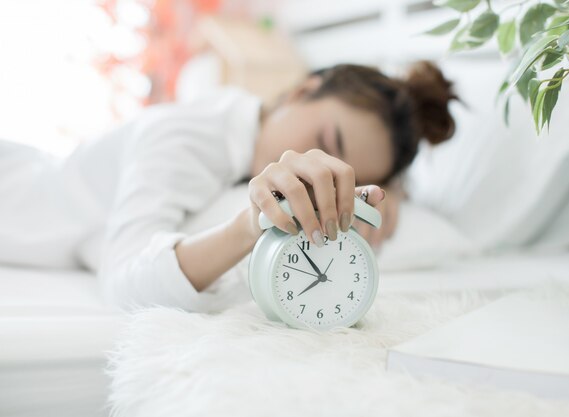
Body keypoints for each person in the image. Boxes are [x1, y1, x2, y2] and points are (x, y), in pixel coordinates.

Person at [0, 61, 457, 312]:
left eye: (337, 173)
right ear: (301, 92)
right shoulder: (184, 136)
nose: (317, 173)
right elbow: (124, 284)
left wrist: (391, 192)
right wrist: (250, 225)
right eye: (325, 145)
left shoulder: (245, 142)